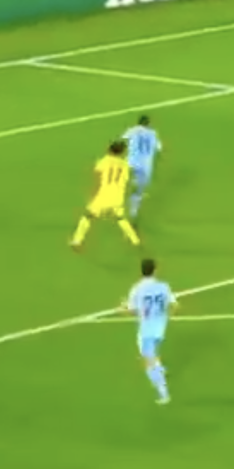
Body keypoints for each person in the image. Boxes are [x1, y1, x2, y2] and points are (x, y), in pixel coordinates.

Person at [70, 140, 142, 251]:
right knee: (120, 218)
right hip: (117, 196)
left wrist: (93, 194)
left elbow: (98, 180)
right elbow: (126, 182)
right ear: (122, 152)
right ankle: (135, 241)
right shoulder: (125, 165)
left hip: (103, 196)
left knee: (87, 216)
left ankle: (77, 241)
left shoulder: (103, 161)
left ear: (109, 149)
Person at [123, 257, 177, 405]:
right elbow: (175, 306)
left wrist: (122, 309)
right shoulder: (163, 286)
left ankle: (163, 393)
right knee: (153, 352)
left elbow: (132, 311)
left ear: (141, 271)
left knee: (148, 361)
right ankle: (160, 368)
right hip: (160, 327)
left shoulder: (137, 289)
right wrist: (167, 317)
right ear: (155, 270)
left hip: (146, 330)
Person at [122, 115, 162, 219]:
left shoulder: (132, 130)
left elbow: (123, 138)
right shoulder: (153, 133)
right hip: (145, 166)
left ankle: (126, 190)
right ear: (148, 123)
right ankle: (133, 212)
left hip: (131, 162)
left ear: (138, 122)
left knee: (125, 182)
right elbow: (159, 148)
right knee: (138, 191)